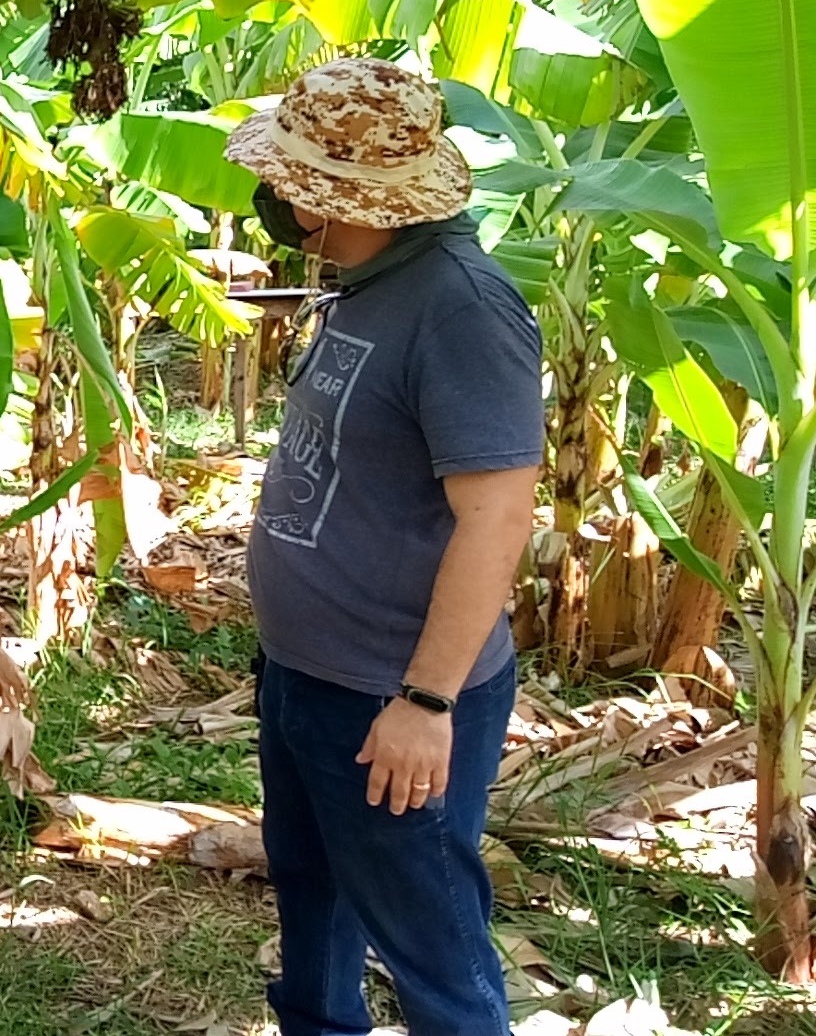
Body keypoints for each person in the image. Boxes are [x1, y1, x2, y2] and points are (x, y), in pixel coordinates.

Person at [224, 59, 542, 1036]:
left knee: (429, 942)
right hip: (312, 675)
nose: (272, 192)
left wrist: (427, 701)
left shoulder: (461, 308)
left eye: (287, 178)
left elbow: (499, 516)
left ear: (335, 199)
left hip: (388, 698)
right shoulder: (371, 280)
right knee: (315, 898)